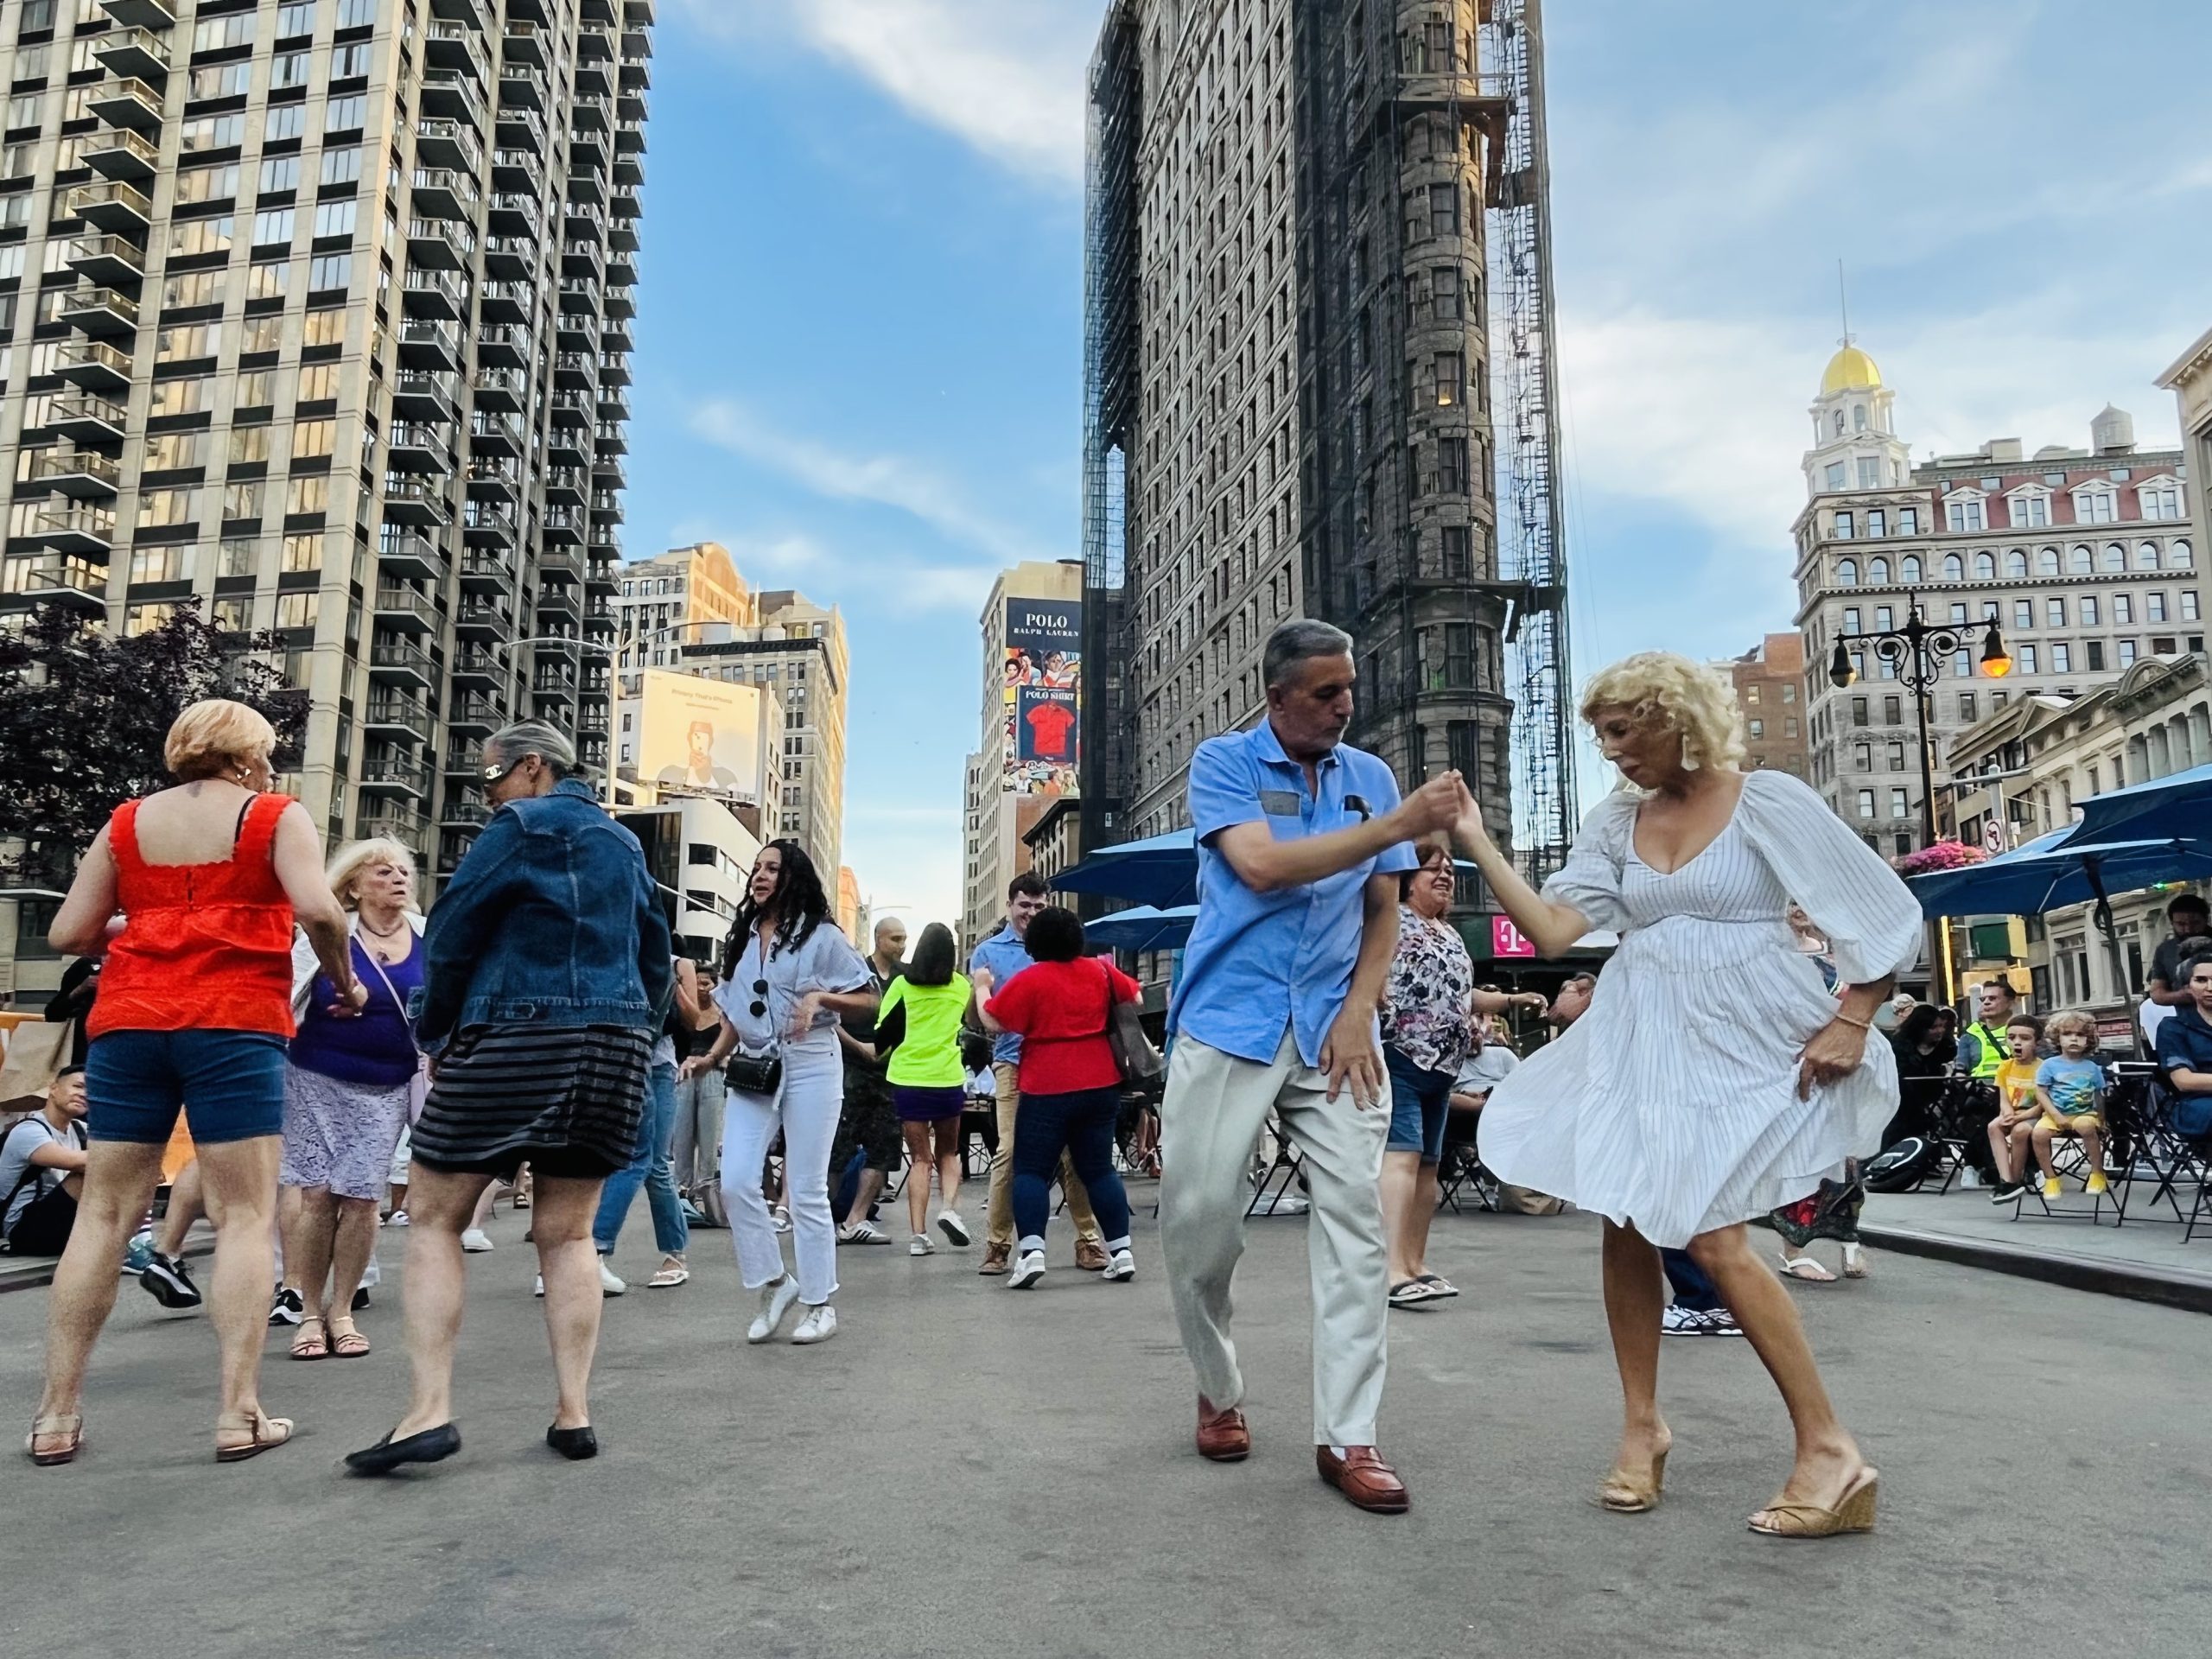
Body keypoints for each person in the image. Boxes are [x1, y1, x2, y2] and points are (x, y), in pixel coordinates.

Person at [1463, 652, 1920, 1539]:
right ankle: (1641, 1429)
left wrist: (1855, 1016)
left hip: (1747, 1029)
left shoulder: (1766, 800)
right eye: (1599, 734)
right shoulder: (1614, 821)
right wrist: (1478, 838)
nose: (1610, 752)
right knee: (1623, 1215)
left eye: (1622, 730)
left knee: (1710, 1232)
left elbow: (1877, 907)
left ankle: (1831, 1450)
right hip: (1643, 1028)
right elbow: (1555, 928)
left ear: (1675, 717)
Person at [1158, 617, 1465, 1516]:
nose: (1344, 704)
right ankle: (1218, 1387)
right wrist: (1405, 823)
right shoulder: (1223, 764)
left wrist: (1361, 1011)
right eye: (1326, 692)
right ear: (1277, 697)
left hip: (1334, 1032)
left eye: (1350, 688)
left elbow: (1382, 911)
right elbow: (1261, 869)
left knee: (1359, 1230)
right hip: (1228, 1022)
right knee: (1200, 1219)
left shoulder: (1369, 779)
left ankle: (1350, 1436)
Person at [29, 699, 360, 1466]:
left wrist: (149, 928)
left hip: (132, 1023)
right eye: (267, 755)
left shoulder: (124, 824)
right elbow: (318, 911)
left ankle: (56, 1416)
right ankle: (238, 1414)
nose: (272, 769)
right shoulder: (275, 816)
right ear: (244, 758)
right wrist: (345, 981)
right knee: (245, 1214)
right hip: (233, 1023)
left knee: (106, 1215)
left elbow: (70, 933)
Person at [344, 721, 672, 1474]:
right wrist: (630, 1029)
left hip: (518, 1035)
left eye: (490, 779)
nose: (487, 795)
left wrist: (433, 1027)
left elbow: (454, 932)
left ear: (531, 767)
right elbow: (656, 957)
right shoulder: (623, 844)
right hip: (614, 1048)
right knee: (569, 1233)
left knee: (431, 1215)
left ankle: (427, 1413)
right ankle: (573, 1413)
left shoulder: (519, 825)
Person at [683, 840, 875, 1348]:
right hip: (754, 1068)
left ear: (794, 877)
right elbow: (734, 1013)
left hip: (812, 1063)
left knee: (808, 1188)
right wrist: (711, 1056)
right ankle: (775, 1284)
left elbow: (868, 997)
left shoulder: (823, 937)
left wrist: (820, 997)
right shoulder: (743, 938)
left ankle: (819, 1304)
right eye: (756, 868)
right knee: (737, 1181)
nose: (759, 876)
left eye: (772, 868)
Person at [273, 838, 425, 1360]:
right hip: (315, 1076)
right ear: (355, 884)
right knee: (317, 1196)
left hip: (387, 1086)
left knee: (362, 1197)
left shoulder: (430, 937)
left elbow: (443, 1006)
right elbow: (286, 995)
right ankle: (310, 1312)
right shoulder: (324, 931)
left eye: (404, 872)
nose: (398, 880)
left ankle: (342, 1310)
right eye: (383, 872)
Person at [1379, 842, 1546, 1308]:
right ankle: (1390, 1269)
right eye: (1434, 868)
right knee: (1402, 1160)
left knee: (1428, 1166)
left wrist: (1512, 1000)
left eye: (1449, 870)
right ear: (1408, 877)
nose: (1445, 875)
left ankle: (1415, 1263)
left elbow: (1464, 995)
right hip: (1401, 1057)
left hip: (1443, 1067)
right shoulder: (1390, 921)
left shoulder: (1448, 935)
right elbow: (1364, 972)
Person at [976, 906, 1139, 1287]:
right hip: (1100, 1082)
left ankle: (1031, 1254)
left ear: (1035, 943)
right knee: (1099, 1169)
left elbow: (995, 1021)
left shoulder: (1031, 979)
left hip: (1046, 1083)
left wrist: (982, 986)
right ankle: (1122, 1250)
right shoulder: (1100, 970)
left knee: (1031, 1170)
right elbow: (1135, 997)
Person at [589, 929, 702, 1294]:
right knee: (645, 1160)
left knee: (650, 1160)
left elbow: (693, 1019)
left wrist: (672, 983)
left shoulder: (675, 962)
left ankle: (597, 1250)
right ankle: (670, 1252)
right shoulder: (612, 948)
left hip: (658, 1065)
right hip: (618, 1060)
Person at [873, 922, 972, 1254]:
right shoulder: (961, 986)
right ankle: (949, 1209)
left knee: (919, 1158)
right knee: (948, 1152)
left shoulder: (902, 985)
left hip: (908, 1080)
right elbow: (968, 1024)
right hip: (947, 1078)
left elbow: (882, 1034)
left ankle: (918, 1237)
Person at [831, 917, 909, 1247]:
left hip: (889, 1073)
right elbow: (830, 1020)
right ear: (878, 939)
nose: (902, 944)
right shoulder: (855, 973)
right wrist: (859, 1047)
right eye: (895, 938)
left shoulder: (907, 978)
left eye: (904, 938)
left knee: (885, 1146)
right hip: (851, 1068)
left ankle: (856, 1219)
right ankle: (826, 1219)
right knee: (838, 1147)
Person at [3, 1068, 90, 1257]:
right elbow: (84, 1163)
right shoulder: (29, 1130)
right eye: (78, 1086)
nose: (85, 1094)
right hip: (21, 1230)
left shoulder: (81, 1129)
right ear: (54, 1089)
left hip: (61, 1220)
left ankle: (135, 1242)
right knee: (93, 1171)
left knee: (123, 1165)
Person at [2029, 1011, 2109, 1200]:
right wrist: (2055, 1116)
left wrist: (2102, 1119)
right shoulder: (2049, 1065)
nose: (2074, 1039)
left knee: (2085, 1126)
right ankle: (2050, 1177)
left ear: (2088, 1039)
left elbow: (2099, 1095)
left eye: (2080, 1035)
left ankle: (2097, 1173)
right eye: (2067, 1034)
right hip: (2055, 1114)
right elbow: (2041, 1093)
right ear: (2057, 1037)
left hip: (2085, 1113)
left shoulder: (2092, 1067)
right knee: (2038, 1134)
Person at [670, 971, 727, 1222]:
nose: (702, 988)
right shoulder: (686, 1013)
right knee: (681, 1138)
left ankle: (709, 1198)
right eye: (699, 982)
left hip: (713, 1074)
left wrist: (719, 1059)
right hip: (684, 1075)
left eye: (707, 982)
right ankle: (682, 1195)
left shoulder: (723, 1014)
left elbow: (733, 1045)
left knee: (708, 1140)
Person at [1985, 1015, 2047, 1204]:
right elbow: (2003, 1098)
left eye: (2025, 1038)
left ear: (2037, 1042)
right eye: (2012, 1038)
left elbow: (2042, 1106)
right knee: (1993, 1127)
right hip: (2014, 1113)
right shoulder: (2005, 1067)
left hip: (2035, 1115)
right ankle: (2006, 1180)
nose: (2017, 1043)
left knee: (2020, 1132)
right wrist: (2007, 1113)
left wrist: (2019, 1118)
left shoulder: (2043, 1068)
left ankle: (2015, 1179)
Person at [1884, 1002, 1957, 1148]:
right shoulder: (1899, 1047)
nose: (1940, 1031)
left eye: (1942, 1026)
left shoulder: (1946, 1047)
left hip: (1935, 1097)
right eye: (1934, 1027)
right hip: (1904, 1101)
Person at [1955, 980, 2022, 1078]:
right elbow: (1961, 1069)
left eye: (1993, 998)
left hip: (2016, 1088)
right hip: (1979, 1089)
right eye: (1983, 999)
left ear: (2010, 1003)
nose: (1986, 1002)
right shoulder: (1970, 1033)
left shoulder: (2025, 1029)